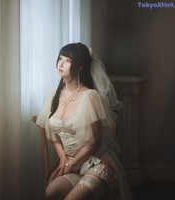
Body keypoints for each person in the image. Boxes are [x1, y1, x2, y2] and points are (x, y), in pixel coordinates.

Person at [36, 43, 132, 200]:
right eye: (60, 58)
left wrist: (70, 164)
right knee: (50, 193)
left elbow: (94, 143)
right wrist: (62, 158)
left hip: (95, 163)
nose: (61, 63)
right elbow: (54, 135)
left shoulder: (90, 96)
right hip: (70, 164)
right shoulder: (54, 95)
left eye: (68, 60)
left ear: (80, 67)